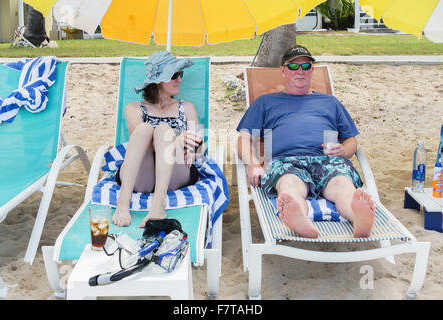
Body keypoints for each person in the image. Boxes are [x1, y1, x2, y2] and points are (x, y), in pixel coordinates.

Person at [237, 45, 375, 238]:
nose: (300, 71)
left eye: (306, 66)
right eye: (293, 66)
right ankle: (299, 218)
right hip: (285, 161)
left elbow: (351, 140)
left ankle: (358, 218)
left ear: (312, 70)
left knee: (342, 184)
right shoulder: (266, 102)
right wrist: (253, 164)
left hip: (327, 160)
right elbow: (244, 138)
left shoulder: (330, 102)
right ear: (283, 71)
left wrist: (343, 150)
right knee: (289, 185)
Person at [113, 51, 204, 228]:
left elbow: (200, 146)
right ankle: (123, 203)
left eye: (180, 74)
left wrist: (195, 149)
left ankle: (157, 206)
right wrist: (177, 140)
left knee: (163, 130)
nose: (179, 79)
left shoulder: (187, 107)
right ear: (158, 80)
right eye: (174, 75)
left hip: (175, 174)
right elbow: (139, 144)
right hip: (142, 176)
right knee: (145, 130)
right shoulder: (134, 109)